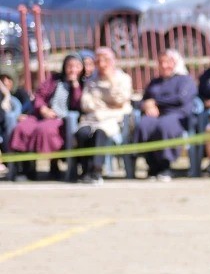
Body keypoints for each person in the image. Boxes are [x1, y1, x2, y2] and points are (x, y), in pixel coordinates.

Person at [12, 54, 81, 179]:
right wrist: (43, 108)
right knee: (22, 128)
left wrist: (75, 85)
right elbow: (39, 95)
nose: (72, 69)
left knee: (45, 130)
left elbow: (78, 104)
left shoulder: (82, 84)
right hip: (41, 114)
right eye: (70, 66)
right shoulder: (53, 80)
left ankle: (53, 166)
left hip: (62, 118)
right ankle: (28, 168)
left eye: (76, 66)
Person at [136, 48, 198, 181]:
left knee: (164, 126)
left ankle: (166, 167)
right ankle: (152, 166)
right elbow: (144, 99)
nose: (164, 66)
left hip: (178, 115)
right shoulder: (154, 82)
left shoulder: (185, 80)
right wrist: (146, 104)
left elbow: (181, 99)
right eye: (161, 62)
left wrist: (156, 102)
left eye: (168, 62)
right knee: (145, 124)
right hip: (157, 115)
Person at [76, 47, 132, 185]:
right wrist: (105, 104)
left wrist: (110, 80)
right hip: (92, 118)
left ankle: (96, 171)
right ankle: (85, 170)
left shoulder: (123, 78)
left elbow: (121, 99)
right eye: (98, 60)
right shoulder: (91, 81)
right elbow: (86, 103)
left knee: (100, 132)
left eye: (105, 60)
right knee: (82, 133)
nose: (102, 64)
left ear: (112, 61)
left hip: (114, 119)